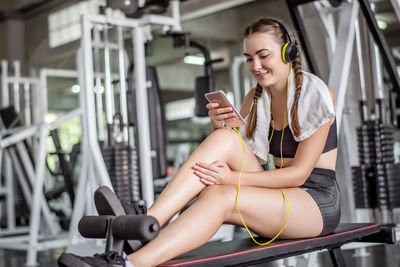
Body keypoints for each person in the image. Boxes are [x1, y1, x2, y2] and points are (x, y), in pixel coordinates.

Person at [60, 17, 340, 267]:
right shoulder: (256, 99)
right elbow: (234, 149)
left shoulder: (315, 93)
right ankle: (150, 220)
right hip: (278, 196)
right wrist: (218, 126)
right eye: (249, 58)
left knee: (220, 194)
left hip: (315, 202)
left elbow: (299, 174)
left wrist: (232, 178)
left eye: (263, 55)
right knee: (223, 138)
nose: (255, 66)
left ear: (287, 52)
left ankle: (128, 264)